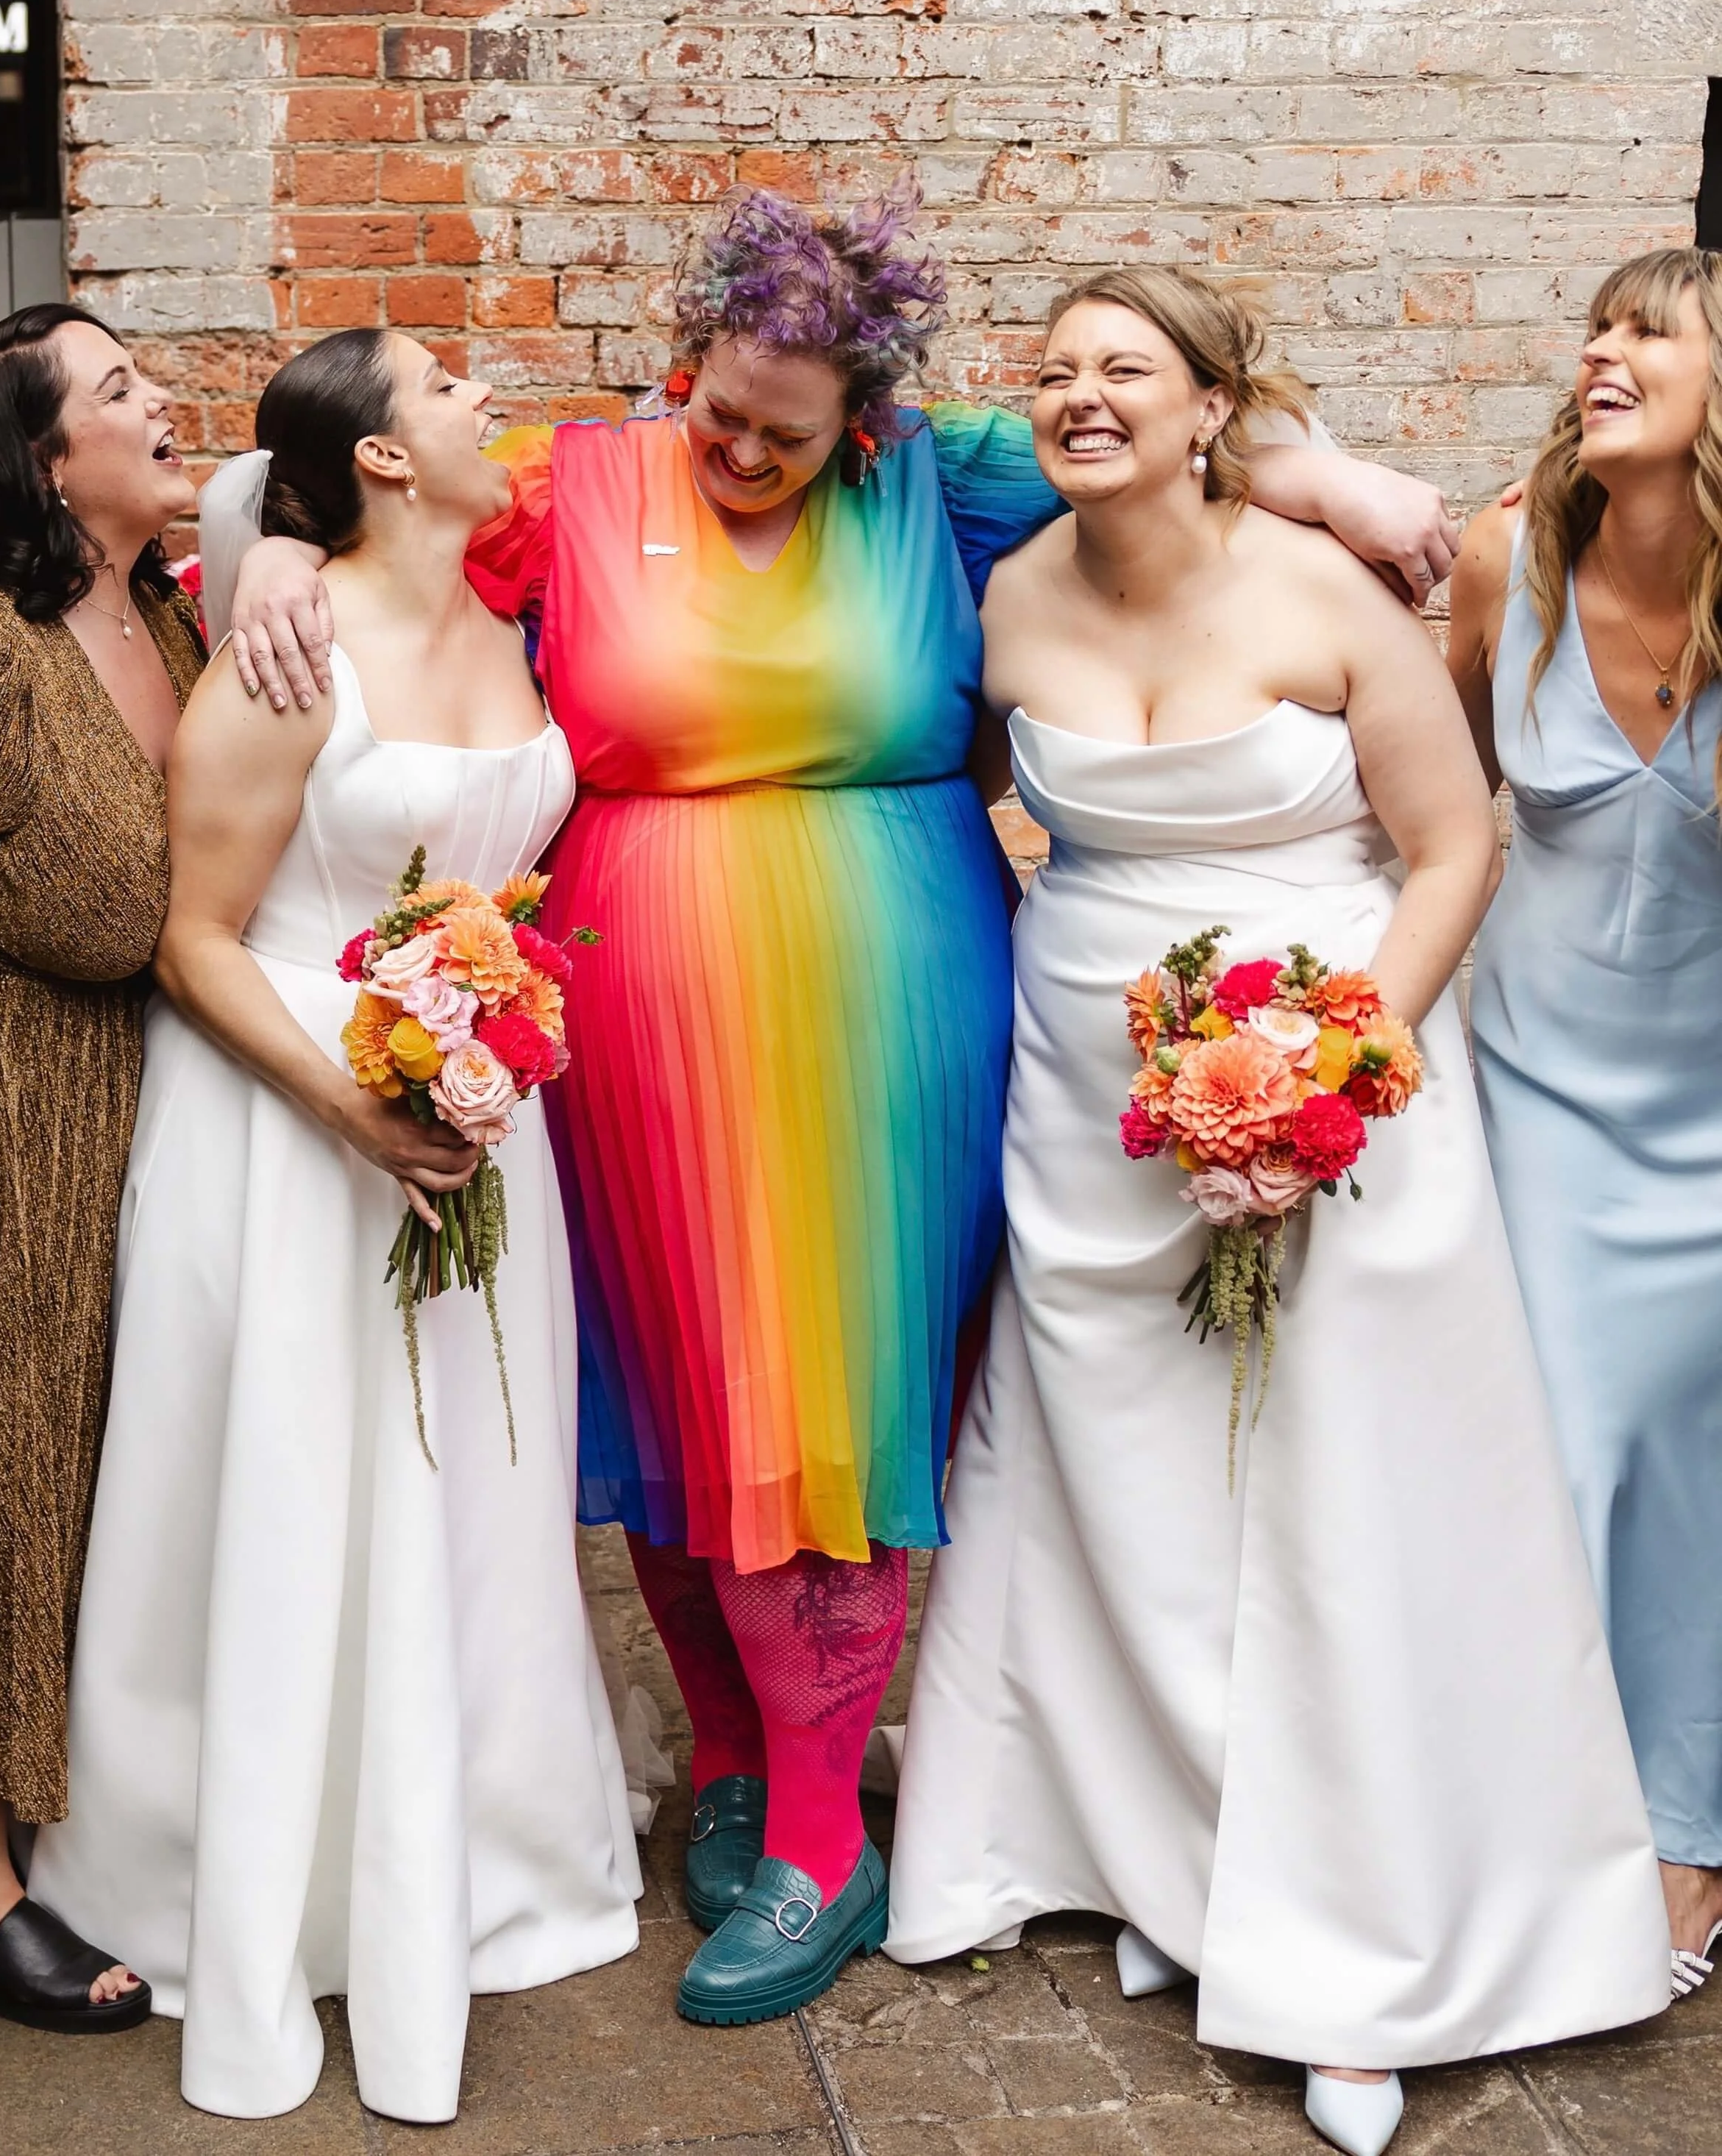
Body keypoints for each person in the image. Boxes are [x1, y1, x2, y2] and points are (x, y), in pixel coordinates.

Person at [230, 182, 1463, 2026]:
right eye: (717, 406)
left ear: (864, 421)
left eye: (786, 434)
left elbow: (1154, 431)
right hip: (622, 1020)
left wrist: (1344, 477)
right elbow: (366, 526)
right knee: (661, 1382)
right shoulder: (581, 484)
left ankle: (824, 1822)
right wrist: (263, 539)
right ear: (683, 363)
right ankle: (727, 1748)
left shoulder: (944, 480)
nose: (738, 447)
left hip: (892, 1009)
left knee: (828, 1389)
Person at [883, 267, 1670, 2156]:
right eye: (1057, 370)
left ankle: (1367, 1936)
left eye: (1126, 369)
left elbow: (1453, 839)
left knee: (1338, 1494)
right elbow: (1019, 815)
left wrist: (1334, 1077)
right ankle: (1174, 1856)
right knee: (1127, 1481)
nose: (1084, 397)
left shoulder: (1318, 590)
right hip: (1090, 1105)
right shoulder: (1006, 595)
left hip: (1341, 1080)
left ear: (1213, 405)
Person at [28, 329, 641, 2121]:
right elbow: (193, 933)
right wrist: (351, 1102)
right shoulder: (285, 651)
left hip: (469, 1124)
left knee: (470, 1501)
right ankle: (262, 1875)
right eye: (445, 384)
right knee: (297, 1486)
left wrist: (475, 1055)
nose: (482, 398)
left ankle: (481, 1847)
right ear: (378, 459)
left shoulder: (507, 629)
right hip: (294, 1116)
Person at [1450, 246, 1722, 2005]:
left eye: (1653, 331)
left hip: (1712, 1112)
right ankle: (1534, 1813)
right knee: (1558, 1448)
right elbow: (1464, 790)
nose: (1602, 351)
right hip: (1538, 1084)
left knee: (1689, 1474)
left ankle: (1687, 1832)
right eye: (1602, 325)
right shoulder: (1505, 561)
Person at [0, 305, 203, 2034]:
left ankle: (74, 1811)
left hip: (158, 1105)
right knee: (2, 1462)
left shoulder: (182, 612)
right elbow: (96, 901)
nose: (163, 401)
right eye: (122, 390)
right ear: (47, 461)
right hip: (13, 1104)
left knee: (90, 1465)